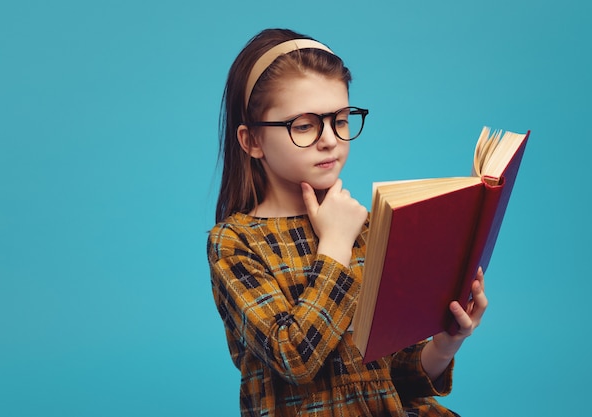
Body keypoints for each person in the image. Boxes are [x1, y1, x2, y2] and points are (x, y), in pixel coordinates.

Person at [207, 28, 487, 417]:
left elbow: (392, 378)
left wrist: (445, 343)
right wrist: (336, 245)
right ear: (252, 140)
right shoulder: (235, 243)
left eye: (340, 119)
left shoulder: (369, 226)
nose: (330, 140)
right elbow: (294, 358)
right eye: (304, 125)